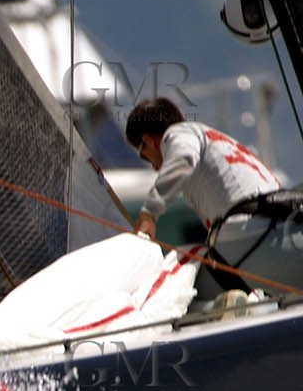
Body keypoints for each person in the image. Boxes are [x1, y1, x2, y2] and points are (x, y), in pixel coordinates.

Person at [125, 97, 303, 299]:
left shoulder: (178, 133)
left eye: (144, 155)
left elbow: (183, 158)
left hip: (248, 235)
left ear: (149, 141)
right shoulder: (215, 138)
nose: (155, 167)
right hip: (278, 226)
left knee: (183, 297)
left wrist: (149, 213)